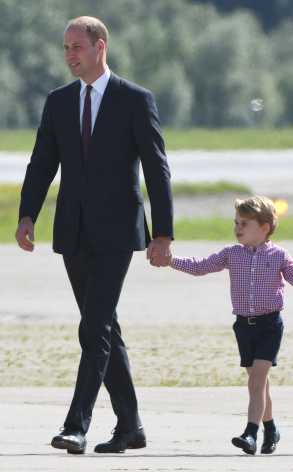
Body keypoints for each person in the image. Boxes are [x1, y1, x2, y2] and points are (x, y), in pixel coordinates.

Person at [15, 16, 174, 454]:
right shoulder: (59, 101)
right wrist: (27, 215)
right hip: (73, 231)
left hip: (119, 232)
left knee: (94, 326)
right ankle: (131, 425)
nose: (69, 55)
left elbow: (158, 168)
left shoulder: (134, 100)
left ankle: (76, 425)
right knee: (104, 328)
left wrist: (163, 232)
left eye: (76, 47)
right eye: (65, 48)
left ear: (100, 46)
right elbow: (41, 162)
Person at [168, 196, 293, 455]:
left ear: (264, 227)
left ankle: (250, 434)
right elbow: (200, 267)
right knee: (259, 385)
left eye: (244, 223)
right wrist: (171, 260)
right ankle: (271, 428)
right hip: (243, 326)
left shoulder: (279, 255)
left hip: (269, 326)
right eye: (236, 223)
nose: (238, 227)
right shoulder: (231, 254)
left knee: (257, 381)